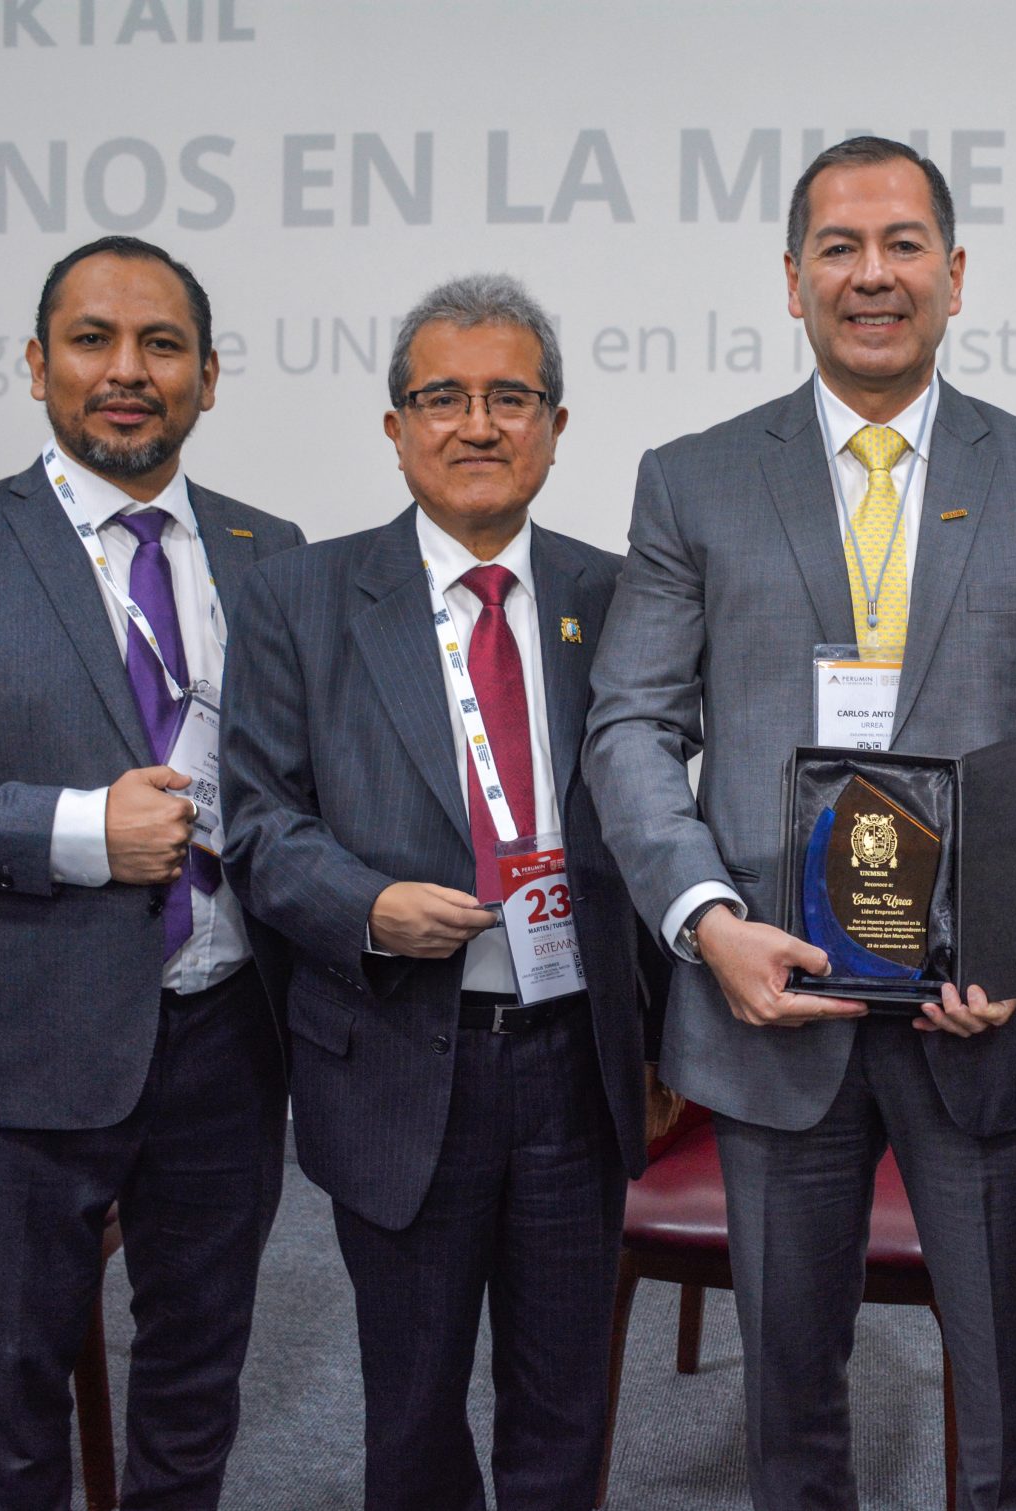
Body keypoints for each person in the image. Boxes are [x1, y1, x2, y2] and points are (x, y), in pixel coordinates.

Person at [583, 136, 1016, 1510]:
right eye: (839, 247)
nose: (871, 274)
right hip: (769, 1002)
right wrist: (707, 924)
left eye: (902, 245)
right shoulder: (693, 479)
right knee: (787, 1390)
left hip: (986, 1011)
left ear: (954, 273)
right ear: (792, 279)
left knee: (1012, 1382)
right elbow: (630, 726)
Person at [0, 236, 299, 1510]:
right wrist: (78, 829)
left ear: (207, 376)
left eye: (161, 344)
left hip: (227, 1039)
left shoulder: (270, 550)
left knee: (197, 1384)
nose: (126, 370)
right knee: (14, 1399)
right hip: (14, 1041)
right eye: (92, 340)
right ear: (38, 365)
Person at [220, 273, 671, 1511]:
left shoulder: (616, 596)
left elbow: (666, 810)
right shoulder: (300, 597)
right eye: (443, 398)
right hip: (398, 1052)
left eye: (509, 397)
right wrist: (367, 908)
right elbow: (257, 820)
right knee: (412, 1406)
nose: (477, 424)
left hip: (575, 1057)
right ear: (395, 425)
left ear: (555, 425)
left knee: (565, 1399)